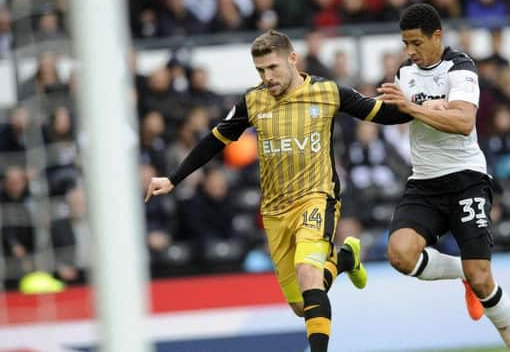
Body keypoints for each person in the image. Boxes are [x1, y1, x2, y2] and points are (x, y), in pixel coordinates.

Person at [145, 29, 411, 352]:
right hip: (274, 212)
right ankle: (344, 259)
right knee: (302, 304)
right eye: (260, 70)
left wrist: (419, 105)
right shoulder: (253, 101)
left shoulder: (328, 92)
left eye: (272, 68)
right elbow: (215, 140)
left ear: (293, 59)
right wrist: (173, 179)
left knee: (308, 273)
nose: (267, 77)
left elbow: (382, 113)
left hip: (317, 199)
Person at [378, 3, 510, 352]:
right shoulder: (405, 73)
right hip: (425, 182)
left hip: (466, 179)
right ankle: (460, 271)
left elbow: (463, 123)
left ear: (437, 36)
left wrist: (415, 108)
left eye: (416, 43)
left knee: (482, 279)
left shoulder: (460, 68)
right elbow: (394, 114)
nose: (410, 51)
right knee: (400, 255)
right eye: (405, 44)